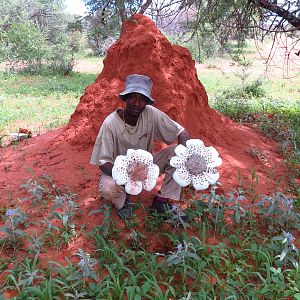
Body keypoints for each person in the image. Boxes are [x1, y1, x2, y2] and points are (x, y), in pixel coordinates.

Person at [90, 74, 190, 220]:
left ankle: (161, 202)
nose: (137, 103)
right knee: (108, 187)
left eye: (142, 99)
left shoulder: (151, 114)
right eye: (133, 97)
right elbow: (103, 163)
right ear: (125, 99)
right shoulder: (110, 124)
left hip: (147, 168)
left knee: (179, 154)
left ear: (146, 102)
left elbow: (181, 132)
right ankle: (122, 202)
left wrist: (186, 161)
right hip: (120, 171)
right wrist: (128, 175)